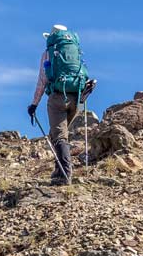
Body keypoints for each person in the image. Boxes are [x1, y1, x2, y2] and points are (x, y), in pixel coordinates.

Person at [27, 25, 95, 185]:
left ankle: (65, 175)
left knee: (59, 137)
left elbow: (42, 81)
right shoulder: (75, 51)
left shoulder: (48, 54)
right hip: (76, 97)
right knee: (57, 134)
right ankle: (58, 171)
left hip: (58, 98)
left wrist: (34, 105)